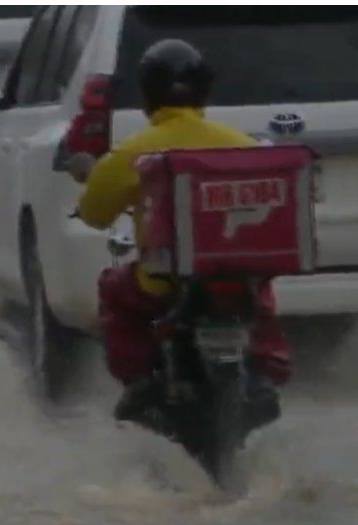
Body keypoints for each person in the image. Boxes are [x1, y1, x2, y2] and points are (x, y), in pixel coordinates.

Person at [76, 39, 290, 426]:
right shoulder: (242, 146)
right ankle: (264, 374)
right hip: (236, 278)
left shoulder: (131, 153)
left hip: (162, 286)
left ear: (148, 93)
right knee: (261, 294)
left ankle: (138, 382)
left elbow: (93, 213)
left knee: (114, 289)